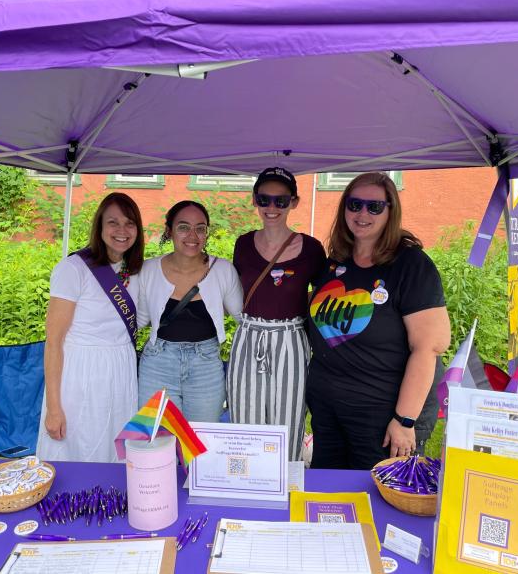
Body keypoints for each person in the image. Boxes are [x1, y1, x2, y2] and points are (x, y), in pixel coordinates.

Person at [306, 172, 451, 469]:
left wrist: (404, 419)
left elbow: (429, 348)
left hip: (382, 417)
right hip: (328, 411)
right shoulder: (336, 261)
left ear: (390, 210)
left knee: (376, 501)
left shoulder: (411, 265)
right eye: (354, 204)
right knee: (329, 498)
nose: (362, 213)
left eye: (374, 207)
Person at [226, 167, 326, 461]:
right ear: (255, 200)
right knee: (245, 417)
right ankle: (248, 485)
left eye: (281, 201)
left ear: (294, 202)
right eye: (264, 199)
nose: (272, 208)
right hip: (249, 336)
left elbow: (322, 297)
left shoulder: (311, 248)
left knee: (289, 418)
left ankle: (286, 486)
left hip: (290, 338)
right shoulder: (243, 244)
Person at [36, 192, 144, 463]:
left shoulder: (138, 270)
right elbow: (54, 342)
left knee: (116, 448)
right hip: (82, 372)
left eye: (129, 223)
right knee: (79, 446)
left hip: (121, 370)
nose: (122, 230)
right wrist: (53, 408)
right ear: (99, 227)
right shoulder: (73, 269)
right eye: (113, 222)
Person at [138, 200, 242, 422]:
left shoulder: (222, 270)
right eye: (183, 227)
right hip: (158, 364)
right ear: (169, 231)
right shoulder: (148, 270)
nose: (192, 235)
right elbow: (140, 320)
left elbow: (243, 318)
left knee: (201, 443)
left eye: (200, 228)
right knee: (157, 441)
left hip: (205, 365)